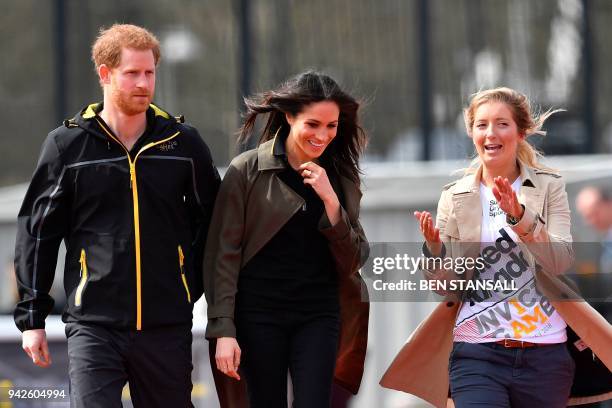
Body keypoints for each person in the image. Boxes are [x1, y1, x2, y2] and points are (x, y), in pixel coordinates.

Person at [14, 24, 220, 407]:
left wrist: (186, 284)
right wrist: (32, 318)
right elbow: (38, 232)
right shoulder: (67, 145)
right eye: (132, 73)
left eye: (150, 72)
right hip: (93, 324)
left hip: (166, 324)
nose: (143, 83)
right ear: (105, 74)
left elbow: (214, 224)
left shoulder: (183, 144)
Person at [380, 87, 612, 407]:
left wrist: (520, 217)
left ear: (521, 132)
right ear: (472, 133)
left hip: (545, 355)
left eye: (502, 124)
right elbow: (445, 287)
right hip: (477, 354)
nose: (491, 133)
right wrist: (435, 251)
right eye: (482, 124)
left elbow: (559, 261)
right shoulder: (455, 195)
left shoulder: (549, 186)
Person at [203, 71, 369, 408]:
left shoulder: (341, 177)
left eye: (331, 126)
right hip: (258, 315)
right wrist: (223, 329)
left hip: (319, 315)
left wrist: (331, 202)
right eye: (313, 124)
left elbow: (354, 260)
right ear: (289, 116)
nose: (322, 135)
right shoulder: (245, 171)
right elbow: (222, 255)